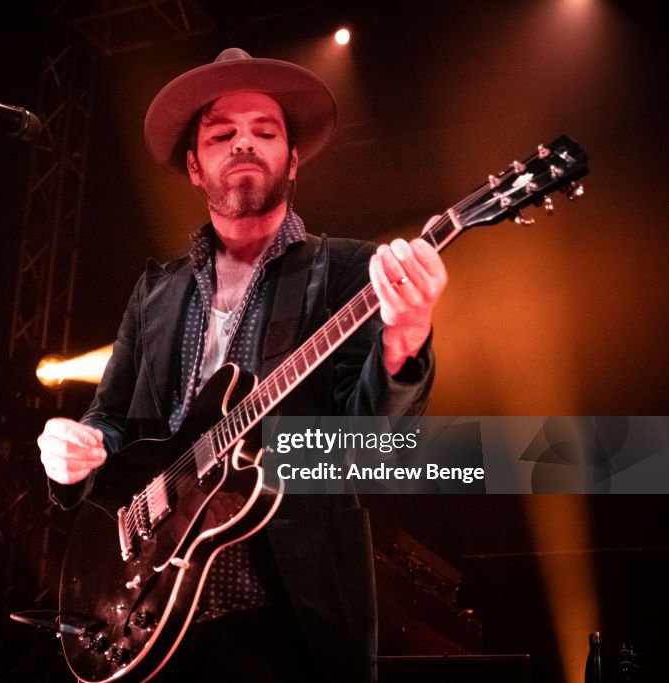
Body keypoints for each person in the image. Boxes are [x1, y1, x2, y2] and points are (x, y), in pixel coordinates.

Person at [37, 48, 447, 681]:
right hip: (149, 603)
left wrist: (408, 332)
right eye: (222, 134)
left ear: (293, 159)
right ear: (195, 167)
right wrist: (78, 448)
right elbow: (110, 422)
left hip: (285, 609)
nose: (245, 144)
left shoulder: (346, 272)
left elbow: (371, 446)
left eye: (266, 131)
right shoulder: (154, 291)